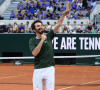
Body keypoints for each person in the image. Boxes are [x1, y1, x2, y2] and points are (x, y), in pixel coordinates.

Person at [29, 2, 71, 90]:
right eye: (38, 26)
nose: (40, 27)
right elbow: (34, 53)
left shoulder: (49, 36)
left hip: (49, 69)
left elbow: (58, 24)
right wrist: (42, 40)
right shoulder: (32, 40)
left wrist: (64, 14)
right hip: (38, 69)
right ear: (34, 30)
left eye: (41, 25)